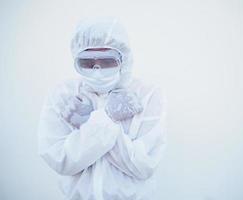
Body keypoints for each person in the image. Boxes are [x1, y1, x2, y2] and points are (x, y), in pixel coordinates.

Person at [37, 17, 166, 200]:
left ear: (124, 58)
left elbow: (144, 166)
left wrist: (91, 124)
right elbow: (60, 160)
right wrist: (106, 120)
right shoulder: (64, 94)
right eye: (87, 62)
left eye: (107, 61)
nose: (97, 70)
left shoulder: (146, 95)